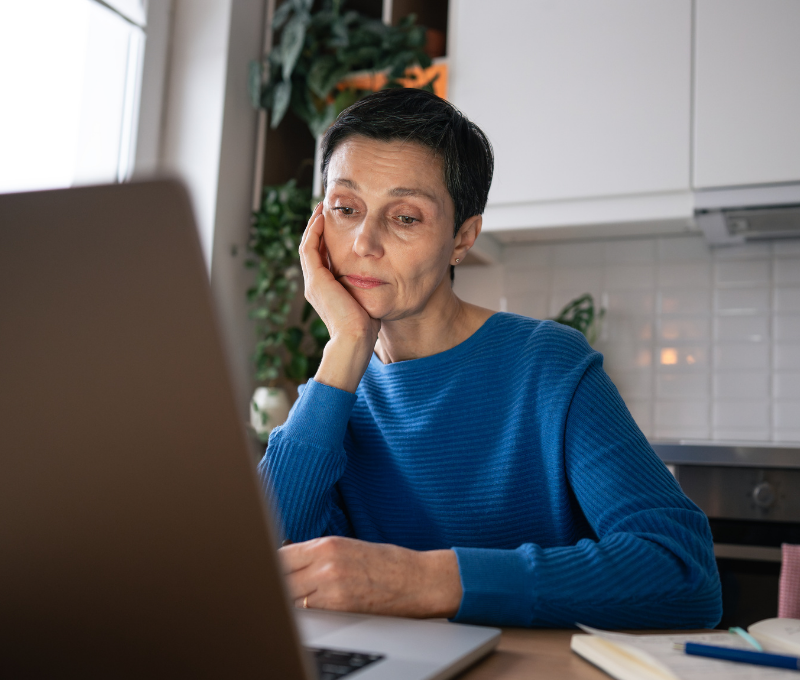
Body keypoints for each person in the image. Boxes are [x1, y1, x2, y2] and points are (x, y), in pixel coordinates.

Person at [260, 88, 721, 628]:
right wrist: (345, 348)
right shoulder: (336, 391)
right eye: (345, 209)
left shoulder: (547, 365)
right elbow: (263, 561)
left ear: (462, 238)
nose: (364, 241)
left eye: (405, 217)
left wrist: (424, 581)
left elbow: (685, 574)